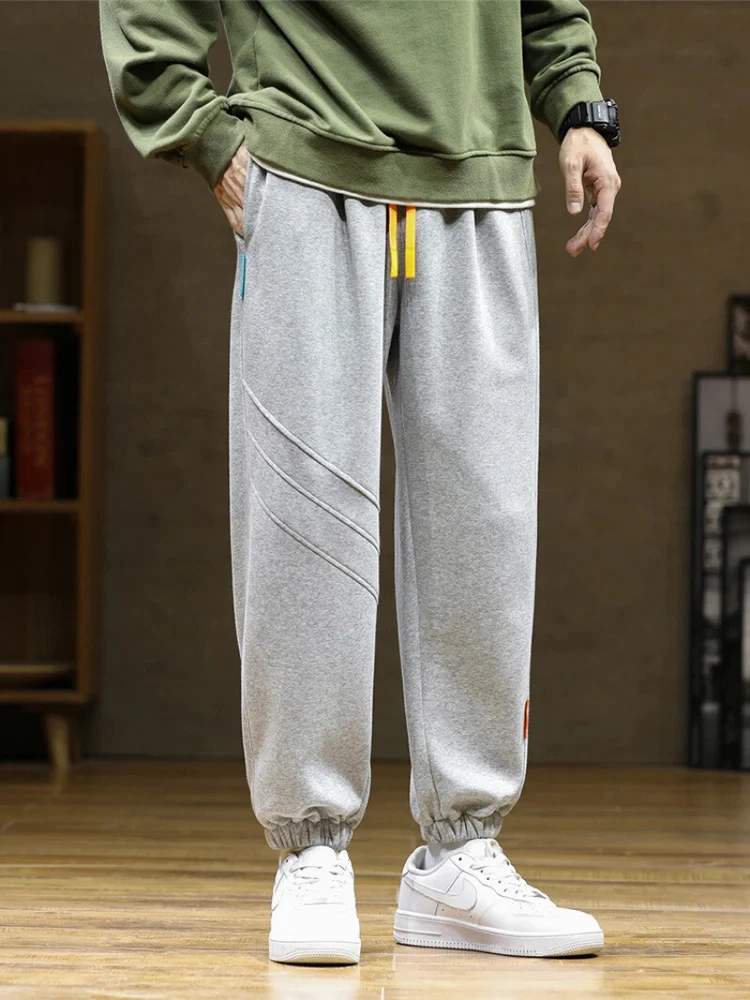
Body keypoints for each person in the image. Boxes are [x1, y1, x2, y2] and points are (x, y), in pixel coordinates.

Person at [99, 0, 621, 966]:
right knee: (303, 525)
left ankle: (461, 857)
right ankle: (311, 852)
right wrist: (204, 133)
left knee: (486, 529)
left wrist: (578, 102)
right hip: (306, 163)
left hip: (481, 174)